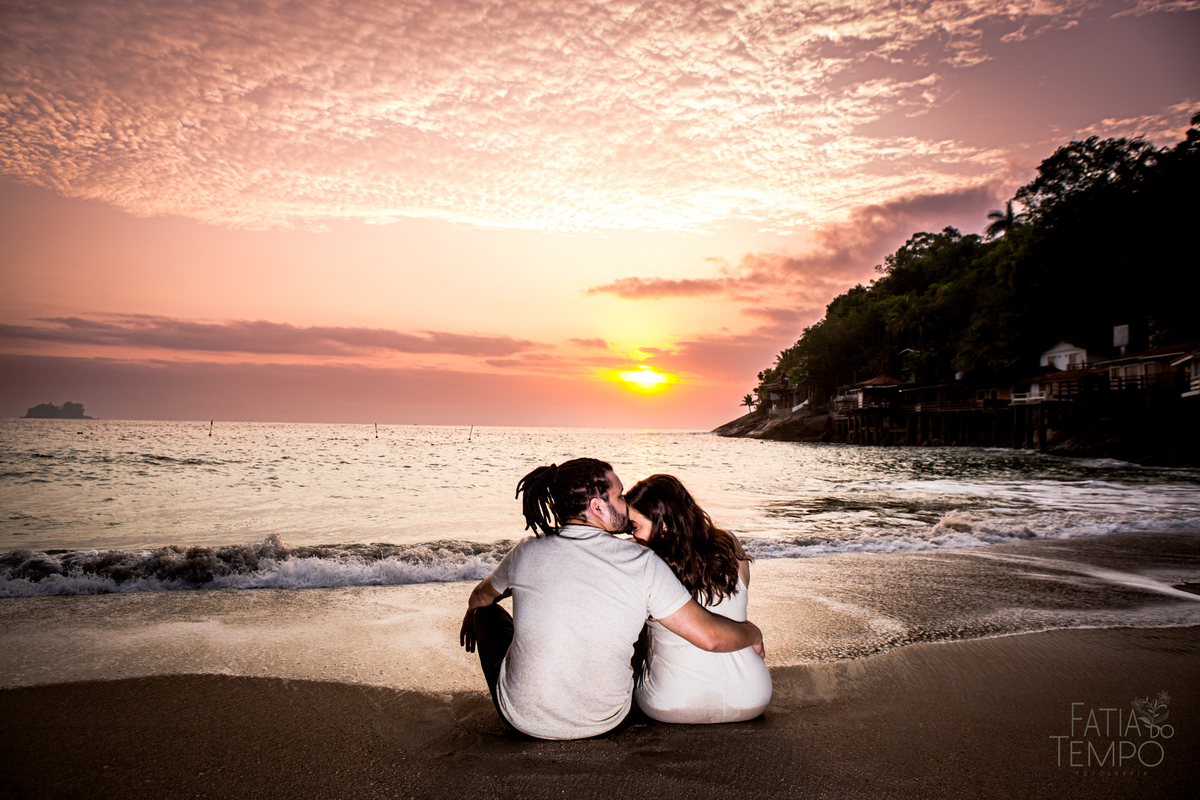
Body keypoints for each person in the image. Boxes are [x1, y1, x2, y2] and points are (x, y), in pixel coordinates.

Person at [460, 458, 765, 740]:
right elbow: (709, 635)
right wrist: (751, 631)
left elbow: (480, 596)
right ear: (597, 507)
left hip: (522, 719)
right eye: (619, 496)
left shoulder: (526, 551)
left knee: (486, 611)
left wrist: (473, 614)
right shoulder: (642, 561)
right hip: (607, 719)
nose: (624, 502)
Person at [625, 474, 773, 723]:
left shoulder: (642, 560)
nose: (632, 535)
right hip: (752, 697)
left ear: (664, 525)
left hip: (673, 703)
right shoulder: (729, 544)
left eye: (635, 527)